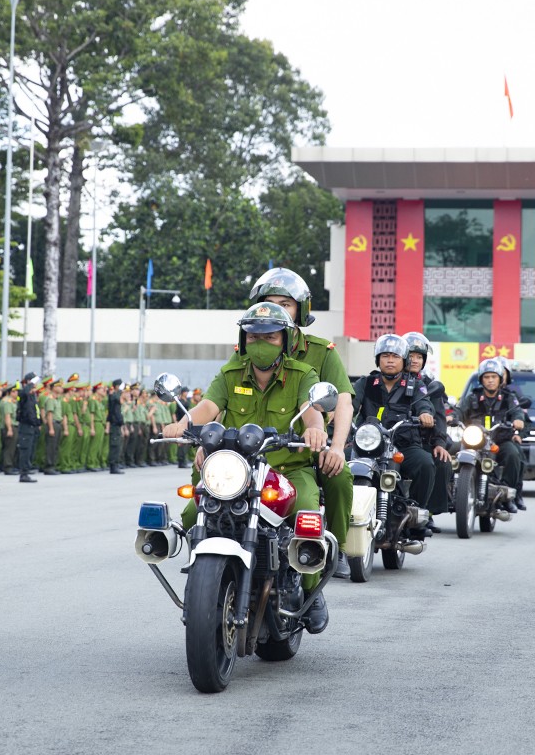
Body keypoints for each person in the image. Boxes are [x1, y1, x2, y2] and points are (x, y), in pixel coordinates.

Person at [162, 302, 330, 632]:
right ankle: (203, 583)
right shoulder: (231, 373)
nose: (260, 343)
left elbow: (313, 412)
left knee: (308, 516)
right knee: (189, 514)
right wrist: (182, 424)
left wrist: (315, 430)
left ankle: (311, 594)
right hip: (238, 468)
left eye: (269, 336)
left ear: (284, 339)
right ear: (243, 338)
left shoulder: (301, 374)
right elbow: (208, 406)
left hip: (289, 469)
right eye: (253, 336)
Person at [250, 267, 355, 579]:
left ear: (300, 310)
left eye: (286, 304)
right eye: (270, 302)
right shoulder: (250, 347)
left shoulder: (321, 353)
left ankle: (336, 547)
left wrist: (335, 447)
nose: (277, 310)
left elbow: (344, 401)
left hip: (309, 446)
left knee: (338, 475)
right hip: (260, 446)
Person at [352, 334, 437, 522]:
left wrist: (425, 414)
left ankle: (416, 513)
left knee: (425, 464)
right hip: (368, 446)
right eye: (385, 356)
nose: (390, 360)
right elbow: (349, 404)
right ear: (378, 359)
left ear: (404, 360)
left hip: (403, 445)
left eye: (395, 356)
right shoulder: (365, 383)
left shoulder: (415, 384)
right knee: (336, 463)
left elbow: (424, 403)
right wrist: (336, 415)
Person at [456, 357, 527, 512]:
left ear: (500, 379)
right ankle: (454, 489)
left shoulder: (509, 397)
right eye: (486, 377)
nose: (490, 381)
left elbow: (517, 412)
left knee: (513, 454)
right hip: (474, 441)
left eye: (494, 377)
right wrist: (452, 417)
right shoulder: (472, 397)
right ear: (481, 380)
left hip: (499, 441)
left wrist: (518, 420)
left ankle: (507, 494)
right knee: (450, 453)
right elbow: (459, 410)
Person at [403, 331, 452, 530]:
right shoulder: (386, 379)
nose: (414, 360)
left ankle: (425, 512)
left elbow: (439, 416)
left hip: (424, 439)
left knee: (440, 461)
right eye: (411, 355)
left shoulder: (429, 384)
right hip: (391, 437)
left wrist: (439, 443)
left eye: (419, 357)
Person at [15, 373, 42, 483]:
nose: (35, 386)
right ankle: (23, 474)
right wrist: (30, 383)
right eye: (34, 384)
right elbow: (25, 392)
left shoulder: (32, 396)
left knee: (30, 450)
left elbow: (34, 412)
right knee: (25, 451)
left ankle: (27, 470)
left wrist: (37, 423)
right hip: (25, 427)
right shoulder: (23, 394)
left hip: (32, 427)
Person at [107, 379, 125, 474]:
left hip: (117, 424)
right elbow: (118, 398)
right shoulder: (113, 396)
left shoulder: (115, 396)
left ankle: (116, 464)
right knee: (114, 446)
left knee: (118, 446)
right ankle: (113, 466)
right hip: (114, 424)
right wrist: (120, 391)